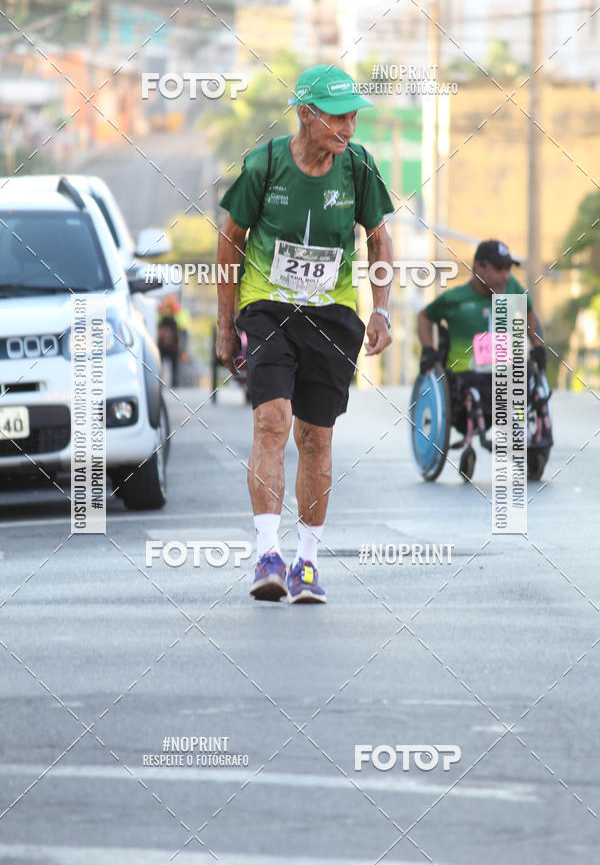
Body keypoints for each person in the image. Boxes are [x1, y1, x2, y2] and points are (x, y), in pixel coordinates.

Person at [216, 64, 394, 604]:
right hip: (266, 306)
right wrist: (225, 325)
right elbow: (230, 243)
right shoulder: (264, 165)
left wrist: (381, 308)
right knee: (272, 422)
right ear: (305, 114)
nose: (349, 127)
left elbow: (380, 242)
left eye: (354, 115)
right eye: (338, 116)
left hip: (334, 314)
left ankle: (307, 563)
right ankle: (267, 554)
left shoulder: (358, 167)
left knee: (316, 438)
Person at [416, 239, 547, 419]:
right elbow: (424, 316)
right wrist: (428, 349)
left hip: (506, 373)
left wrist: (538, 345)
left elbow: (529, 312)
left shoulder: (511, 288)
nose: (506, 276)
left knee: (529, 377)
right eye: (499, 269)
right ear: (479, 267)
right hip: (468, 377)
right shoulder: (454, 299)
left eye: (508, 270)